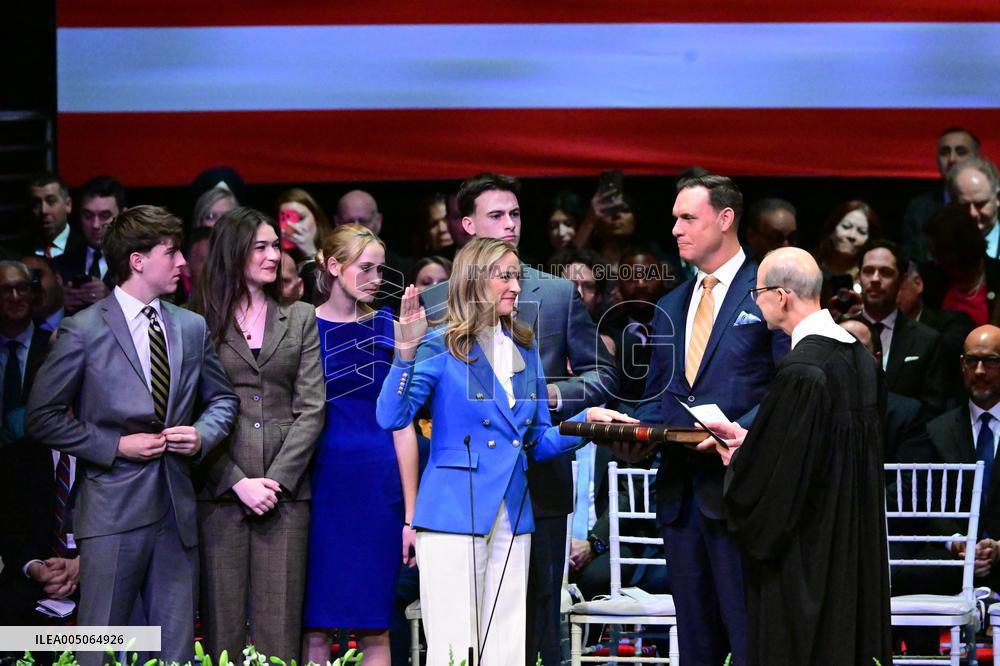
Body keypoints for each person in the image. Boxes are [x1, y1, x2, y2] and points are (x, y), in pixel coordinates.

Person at [377, 236, 633, 666]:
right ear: (475, 282)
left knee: (508, 646)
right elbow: (391, 416)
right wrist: (403, 354)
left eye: (517, 275)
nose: (516, 285)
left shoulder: (524, 348)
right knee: (457, 646)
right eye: (505, 276)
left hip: (513, 513)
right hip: (454, 512)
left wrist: (588, 423)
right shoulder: (441, 344)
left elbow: (535, 440)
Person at [25, 205, 239, 665]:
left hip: (176, 509)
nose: (183, 262)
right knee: (99, 645)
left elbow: (223, 399)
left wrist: (201, 434)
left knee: (173, 650)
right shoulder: (81, 330)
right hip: (111, 511)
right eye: (171, 252)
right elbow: (41, 417)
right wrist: (114, 445)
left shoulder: (190, 325)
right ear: (138, 261)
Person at [419, 173, 619, 664]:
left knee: (533, 623)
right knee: (460, 628)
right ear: (466, 224)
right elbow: (414, 407)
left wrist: (544, 396)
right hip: (461, 489)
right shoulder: (434, 303)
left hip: (537, 479)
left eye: (515, 214)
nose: (509, 225)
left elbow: (602, 374)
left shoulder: (555, 293)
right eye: (495, 215)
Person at [621, 173, 788, 666]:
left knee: (752, 639)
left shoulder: (769, 290)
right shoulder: (670, 304)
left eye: (688, 218)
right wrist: (628, 427)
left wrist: (744, 430)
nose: (675, 229)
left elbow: (792, 385)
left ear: (725, 218)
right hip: (682, 497)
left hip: (744, 495)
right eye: (675, 218)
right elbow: (660, 397)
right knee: (696, 647)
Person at [700, 247, 891, 666]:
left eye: (758, 293)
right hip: (850, 555)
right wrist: (756, 440)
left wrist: (739, 460)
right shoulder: (859, 358)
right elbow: (818, 449)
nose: (756, 302)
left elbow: (778, 483)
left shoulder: (802, 370)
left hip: (807, 564)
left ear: (781, 296)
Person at [190, 208, 325, 663]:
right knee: (221, 630)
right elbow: (192, 412)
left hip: (283, 494)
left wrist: (275, 480)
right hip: (221, 491)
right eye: (261, 246)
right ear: (234, 252)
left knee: (278, 631)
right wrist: (236, 481)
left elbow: (312, 408)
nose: (273, 256)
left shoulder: (300, 317)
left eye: (276, 246)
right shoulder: (198, 321)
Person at [303, 224, 420, 666]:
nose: (375, 278)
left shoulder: (392, 328)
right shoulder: (300, 327)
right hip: (320, 483)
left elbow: (403, 423)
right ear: (333, 267)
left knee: (375, 624)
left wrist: (411, 515)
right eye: (364, 267)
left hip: (378, 487)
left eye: (380, 268)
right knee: (315, 624)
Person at [859, 240, 947, 412]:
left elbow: (933, 408)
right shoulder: (839, 331)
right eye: (868, 271)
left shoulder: (926, 340)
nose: (875, 279)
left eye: (886, 272)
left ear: (902, 280)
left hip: (904, 436)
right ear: (859, 277)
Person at [901, 127, 980, 263]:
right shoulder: (918, 209)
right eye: (945, 152)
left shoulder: (994, 203)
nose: (952, 159)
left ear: (976, 157)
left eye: (961, 151)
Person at [56, 175, 123, 313]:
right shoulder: (61, 263)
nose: (95, 225)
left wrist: (110, 298)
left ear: (123, 216)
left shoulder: (137, 264)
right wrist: (58, 302)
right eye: (88, 215)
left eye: (105, 216)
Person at [948, 156, 1000, 260]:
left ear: (998, 198)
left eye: (980, 204)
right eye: (964, 206)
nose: (972, 213)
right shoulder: (932, 247)